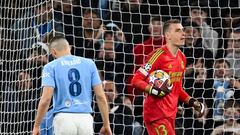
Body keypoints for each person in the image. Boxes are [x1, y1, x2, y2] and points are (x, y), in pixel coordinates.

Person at [131, 19, 205, 135]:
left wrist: (192, 102)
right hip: (156, 116)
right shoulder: (157, 55)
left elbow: (177, 89)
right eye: (178, 31)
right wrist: (154, 90)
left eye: (182, 30)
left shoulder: (182, 58)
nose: (183, 34)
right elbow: (136, 80)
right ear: (168, 35)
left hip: (171, 115)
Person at [32, 36, 112, 135]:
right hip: (85, 119)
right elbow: (100, 96)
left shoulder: (50, 67)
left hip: (64, 119)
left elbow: (45, 99)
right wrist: (106, 124)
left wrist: (36, 126)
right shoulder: (89, 64)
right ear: (69, 47)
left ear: (53, 52)